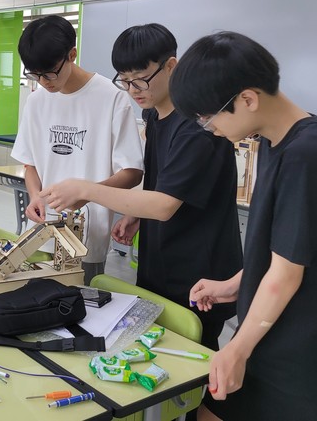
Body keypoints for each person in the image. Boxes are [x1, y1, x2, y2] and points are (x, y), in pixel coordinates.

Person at [169, 31, 317, 420]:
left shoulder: (310, 156)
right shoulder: (275, 143)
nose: (209, 128)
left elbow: (286, 276)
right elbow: (286, 250)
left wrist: (236, 349)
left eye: (208, 118)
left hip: (308, 359)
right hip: (268, 336)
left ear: (247, 99)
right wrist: (235, 283)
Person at [42, 23, 243, 350]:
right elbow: (165, 182)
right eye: (124, 80)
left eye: (141, 79)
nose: (133, 89)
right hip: (161, 259)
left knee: (192, 358)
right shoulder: (154, 116)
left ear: (171, 66)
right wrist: (136, 214)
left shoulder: (196, 127)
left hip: (200, 272)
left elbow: (164, 205)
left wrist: (85, 189)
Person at [10, 15, 144, 283]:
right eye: (35, 74)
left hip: (87, 237)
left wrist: (87, 193)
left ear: (72, 55)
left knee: (80, 299)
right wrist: (35, 196)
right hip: (42, 232)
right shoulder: (36, 101)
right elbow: (30, 163)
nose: (44, 82)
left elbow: (132, 173)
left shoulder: (112, 98)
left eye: (50, 73)